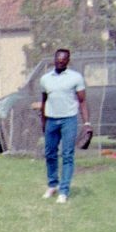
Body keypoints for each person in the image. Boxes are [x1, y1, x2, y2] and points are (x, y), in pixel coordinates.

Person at [38, 49, 90, 204]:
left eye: (63, 60)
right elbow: (44, 102)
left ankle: (64, 191)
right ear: (54, 59)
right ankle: (52, 184)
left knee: (67, 155)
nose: (60, 62)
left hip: (68, 120)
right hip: (51, 120)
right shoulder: (45, 79)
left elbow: (82, 101)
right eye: (57, 59)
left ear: (68, 61)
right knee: (50, 154)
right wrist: (43, 122)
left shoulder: (76, 77)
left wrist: (87, 123)